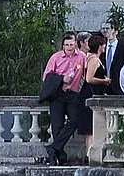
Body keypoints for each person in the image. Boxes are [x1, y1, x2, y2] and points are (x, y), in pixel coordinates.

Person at [41, 33, 87, 166]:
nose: (69, 47)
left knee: (75, 120)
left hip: (72, 94)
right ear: (63, 45)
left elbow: (86, 70)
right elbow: (47, 77)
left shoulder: (81, 57)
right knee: (57, 125)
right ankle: (59, 155)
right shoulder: (55, 57)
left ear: (76, 44)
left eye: (71, 44)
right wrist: (62, 79)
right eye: (66, 45)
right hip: (58, 94)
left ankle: (53, 148)